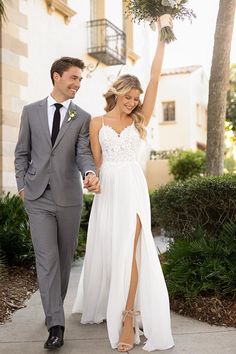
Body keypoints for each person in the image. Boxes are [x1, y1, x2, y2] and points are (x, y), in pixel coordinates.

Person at [72, 16, 175, 352]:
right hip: (109, 191)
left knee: (132, 246)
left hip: (132, 187)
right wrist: (91, 180)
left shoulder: (139, 119)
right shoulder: (96, 122)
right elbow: (95, 163)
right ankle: (108, 302)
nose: (132, 102)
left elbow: (155, 76)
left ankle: (129, 317)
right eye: (128, 97)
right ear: (116, 93)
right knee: (112, 248)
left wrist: (162, 35)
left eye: (136, 98)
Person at [14, 57, 100, 350]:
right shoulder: (30, 112)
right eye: (73, 78)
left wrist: (89, 172)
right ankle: (56, 325)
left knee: (63, 260)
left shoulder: (82, 116)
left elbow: (83, 153)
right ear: (56, 77)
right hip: (37, 197)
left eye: (80, 80)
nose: (77, 84)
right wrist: (23, 186)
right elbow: (21, 153)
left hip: (69, 198)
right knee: (47, 259)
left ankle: (53, 307)